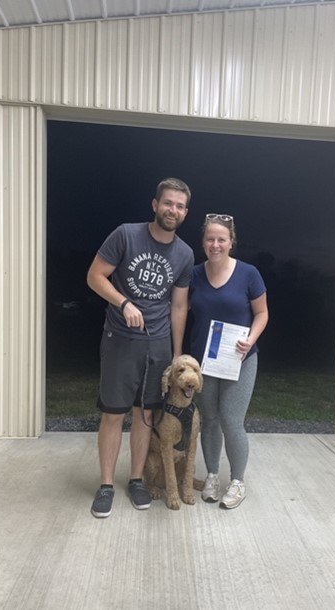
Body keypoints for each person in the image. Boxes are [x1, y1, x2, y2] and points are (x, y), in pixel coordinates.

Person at [87, 178, 194, 518]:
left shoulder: (185, 254)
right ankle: (105, 485)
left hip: (158, 345)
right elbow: (95, 276)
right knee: (114, 413)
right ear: (155, 204)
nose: (172, 210)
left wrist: (176, 352)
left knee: (146, 415)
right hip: (120, 339)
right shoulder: (126, 235)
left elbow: (178, 306)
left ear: (185, 212)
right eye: (168, 203)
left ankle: (135, 479)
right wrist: (123, 303)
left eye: (179, 206)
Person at [189, 213, 268, 509]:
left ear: (232, 241)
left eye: (222, 239)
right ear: (203, 242)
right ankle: (211, 475)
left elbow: (262, 313)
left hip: (240, 358)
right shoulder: (194, 274)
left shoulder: (249, 274)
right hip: (205, 361)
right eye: (210, 239)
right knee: (209, 420)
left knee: (232, 420)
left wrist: (251, 339)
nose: (215, 244)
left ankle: (237, 481)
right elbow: (182, 308)